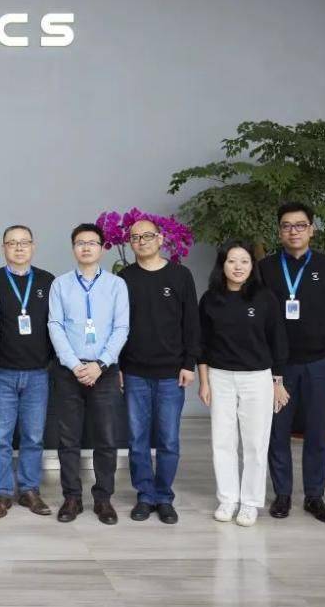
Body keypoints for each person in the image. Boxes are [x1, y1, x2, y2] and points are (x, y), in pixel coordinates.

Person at [259, 202, 325, 524]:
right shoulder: (266, 268)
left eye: (300, 225)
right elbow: (256, 314)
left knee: (316, 431)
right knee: (278, 432)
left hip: (318, 363)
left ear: (311, 229)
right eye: (287, 226)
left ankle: (315, 496)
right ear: (279, 231)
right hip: (279, 367)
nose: (293, 231)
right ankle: (282, 494)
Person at [198, 241, 288, 527]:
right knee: (222, 441)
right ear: (222, 265)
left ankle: (250, 503)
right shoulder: (210, 299)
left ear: (252, 266)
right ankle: (227, 499)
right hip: (220, 377)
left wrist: (277, 381)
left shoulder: (265, 298)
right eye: (232, 261)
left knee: (255, 443)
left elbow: (277, 340)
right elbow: (202, 344)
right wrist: (204, 382)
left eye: (244, 261)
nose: (238, 267)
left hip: (257, 378)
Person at [117, 219, 199, 524]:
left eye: (147, 236)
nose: (141, 241)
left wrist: (189, 364)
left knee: (168, 440)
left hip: (171, 373)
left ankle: (164, 496)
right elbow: (118, 326)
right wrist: (119, 366)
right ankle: (145, 495)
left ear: (161, 239)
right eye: (135, 237)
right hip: (134, 372)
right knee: (137, 439)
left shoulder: (180, 275)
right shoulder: (124, 278)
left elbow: (191, 323)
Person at [48, 223, 129, 525]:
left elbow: (121, 328)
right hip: (69, 371)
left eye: (92, 242)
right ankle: (72, 497)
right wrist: (74, 364)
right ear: (73, 248)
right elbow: (55, 325)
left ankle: (103, 498)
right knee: (68, 438)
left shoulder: (116, 285)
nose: (86, 247)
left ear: (102, 247)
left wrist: (101, 364)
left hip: (104, 371)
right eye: (80, 242)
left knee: (106, 438)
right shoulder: (60, 285)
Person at [0, 225, 55, 519]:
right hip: (2, 372)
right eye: (12, 243)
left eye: (24, 242)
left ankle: (29, 490)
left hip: (38, 373)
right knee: (0, 437)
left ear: (33, 246)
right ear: (3, 248)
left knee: (34, 437)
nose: (18, 247)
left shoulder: (48, 281)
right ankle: (2, 493)